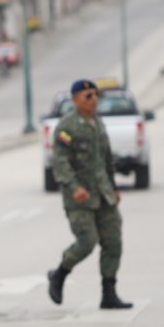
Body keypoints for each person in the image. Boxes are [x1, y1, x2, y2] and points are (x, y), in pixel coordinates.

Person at [46, 79, 133, 310]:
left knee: (113, 242)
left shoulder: (98, 123)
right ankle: (59, 274)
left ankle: (109, 293)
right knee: (87, 242)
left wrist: (114, 187)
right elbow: (60, 163)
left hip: (104, 194)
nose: (94, 100)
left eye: (96, 95)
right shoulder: (67, 127)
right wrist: (75, 188)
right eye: (88, 96)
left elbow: (106, 159)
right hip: (79, 198)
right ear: (75, 100)